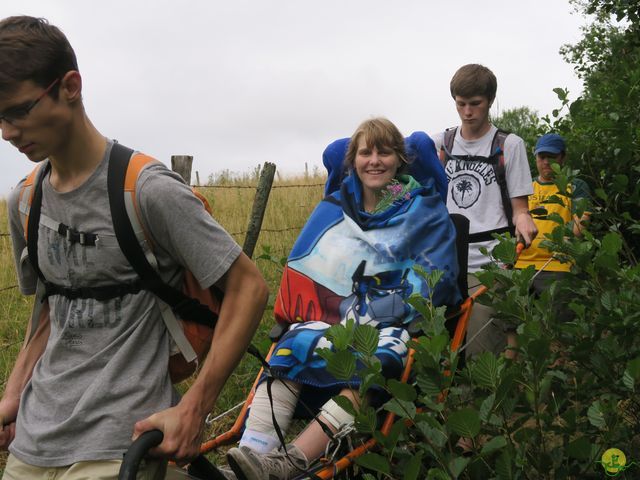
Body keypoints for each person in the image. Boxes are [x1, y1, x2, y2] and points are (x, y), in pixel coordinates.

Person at [0, 16, 268, 479]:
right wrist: (12, 394)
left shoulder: (145, 191)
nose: (7, 133)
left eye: (18, 112)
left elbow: (249, 287)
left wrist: (194, 409)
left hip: (123, 441)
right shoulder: (25, 200)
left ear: (70, 86)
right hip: (34, 442)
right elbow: (49, 309)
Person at [224, 117, 461, 480]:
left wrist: (402, 308)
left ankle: (291, 462)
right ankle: (254, 452)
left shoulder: (420, 207)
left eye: (385, 151)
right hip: (333, 318)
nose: (375, 160)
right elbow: (310, 266)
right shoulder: (337, 205)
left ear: (400, 158)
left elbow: (436, 272)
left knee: (379, 355)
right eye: (365, 152)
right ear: (352, 162)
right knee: (293, 340)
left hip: (390, 325)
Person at [431, 64, 538, 359]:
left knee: (481, 348)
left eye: (475, 104)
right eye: (461, 104)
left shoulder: (509, 145)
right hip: (444, 260)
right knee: (439, 348)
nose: (467, 112)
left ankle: (493, 398)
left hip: (490, 261)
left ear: (490, 100)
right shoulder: (440, 144)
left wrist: (525, 220)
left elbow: (519, 209)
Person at [515, 133, 590, 298]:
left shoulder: (576, 186)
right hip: (521, 265)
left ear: (563, 158)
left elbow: (582, 221)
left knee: (558, 320)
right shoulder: (524, 187)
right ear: (535, 158)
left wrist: (562, 245)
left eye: (552, 156)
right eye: (542, 157)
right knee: (513, 321)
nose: (546, 162)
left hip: (558, 266)